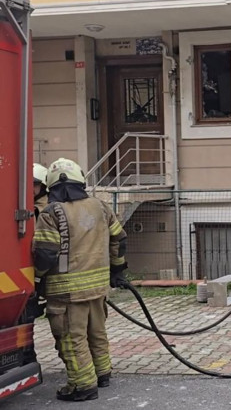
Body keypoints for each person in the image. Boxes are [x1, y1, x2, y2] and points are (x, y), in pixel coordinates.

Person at [32, 158, 128, 401]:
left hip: (66, 292)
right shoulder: (101, 206)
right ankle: (102, 373)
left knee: (72, 339)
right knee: (96, 332)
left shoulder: (51, 212)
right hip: (97, 288)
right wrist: (116, 271)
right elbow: (120, 238)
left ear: (51, 186)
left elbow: (45, 252)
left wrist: (35, 280)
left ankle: (83, 386)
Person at [21, 162, 51, 365]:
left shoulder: (45, 207)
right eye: (28, 183)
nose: (31, 188)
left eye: (36, 184)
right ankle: (27, 357)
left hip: (42, 268)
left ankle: (29, 358)